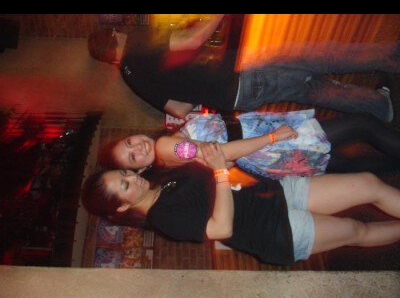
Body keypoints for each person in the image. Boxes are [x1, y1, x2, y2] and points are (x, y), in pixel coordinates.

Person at [81, 142, 400, 266]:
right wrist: (220, 172)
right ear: (121, 207)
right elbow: (221, 228)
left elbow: (215, 167)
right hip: (273, 231)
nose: (133, 178)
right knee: (356, 229)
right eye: (125, 185)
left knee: (368, 183)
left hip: (272, 196)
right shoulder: (164, 217)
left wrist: (252, 149)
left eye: (125, 173)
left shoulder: (163, 180)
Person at [87, 14, 399, 121]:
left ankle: (379, 106)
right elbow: (193, 40)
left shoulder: (132, 79)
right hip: (240, 70)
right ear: (114, 34)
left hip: (235, 97)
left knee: (311, 89)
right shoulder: (138, 41)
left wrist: (195, 84)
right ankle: (389, 57)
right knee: (318, 56)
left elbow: (180, 110)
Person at [100, 110, 400, 180]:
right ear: (139, 170)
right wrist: (273, 137)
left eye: (129, 143)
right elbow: (221, 153)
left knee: (343, 163)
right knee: (362, 125)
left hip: (261, 155)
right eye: (132, 157)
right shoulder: (166, 148)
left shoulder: (168, 158)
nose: (138, 148)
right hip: (268, 146)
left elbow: (218, 159)